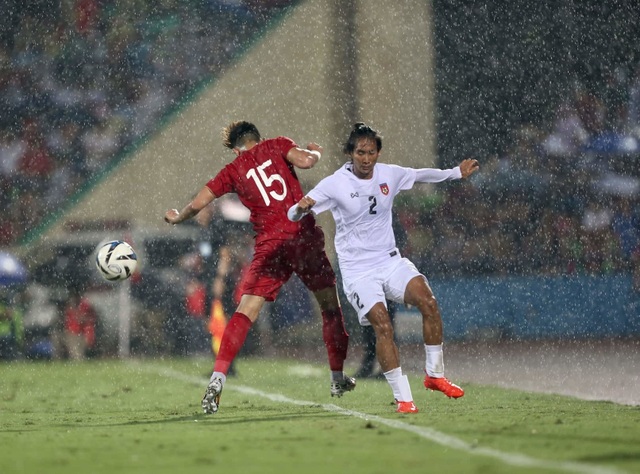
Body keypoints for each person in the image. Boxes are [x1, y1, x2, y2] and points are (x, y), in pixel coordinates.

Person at [165, 120, 354, 414]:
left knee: (245, 311)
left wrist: (179, 216)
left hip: (270, 245)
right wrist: (315, 153)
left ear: (234, 148)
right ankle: (336, 378)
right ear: (257, 137)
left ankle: (217, 378)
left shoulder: (232, 170)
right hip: (301, 238)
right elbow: (304, 161)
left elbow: (199, 201)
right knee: (330, 307)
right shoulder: (276, 144)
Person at [288, 122, 479, 413]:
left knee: (428, 301)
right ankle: (404, 399)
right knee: (383, 325)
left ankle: (435, 376)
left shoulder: (389, 173)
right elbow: (293, 215)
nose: (367, 159)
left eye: (372, 152)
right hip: (358, 270)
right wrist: (300, 208)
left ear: (378, 153)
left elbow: (420, 175)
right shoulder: (334, 183)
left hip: (390, 261)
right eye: (361, 152)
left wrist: (454, 173)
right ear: (350, 153)